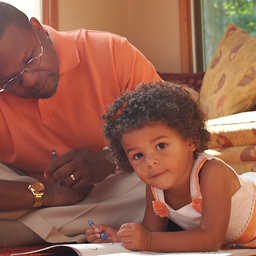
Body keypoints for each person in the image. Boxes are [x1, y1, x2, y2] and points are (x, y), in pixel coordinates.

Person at [0, 1, 161, 247]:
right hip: (28, 192)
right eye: (10, 80)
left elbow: (174, 129)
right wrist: (48, 194)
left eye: (30, 59)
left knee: (173, 175)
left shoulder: (111, 51)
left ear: (38, 29)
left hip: (113, 185)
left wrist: (112, 160)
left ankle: (25, 230)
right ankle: (61, 222)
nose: (30, 81)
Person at [86, 81, 256, 252]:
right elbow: (152, 231)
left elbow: (210, 239)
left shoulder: (211, 173)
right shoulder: (154, 187)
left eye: (161, 146)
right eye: (138, 155)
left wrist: (149, 241)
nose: (150, 162)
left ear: (191, 140)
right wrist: (120, 237)